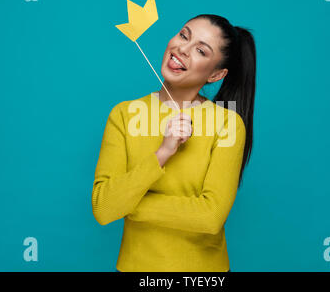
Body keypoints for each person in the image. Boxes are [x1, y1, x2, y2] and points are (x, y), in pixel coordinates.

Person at [92, 14, 256, 272]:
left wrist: (130, 203)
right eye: (183, 35)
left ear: (216, 75)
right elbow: (103, 209)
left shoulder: (227, 123)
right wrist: (163, 153)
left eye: (201, 50)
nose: (183, 49)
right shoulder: (123, 115)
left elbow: (210, 217)